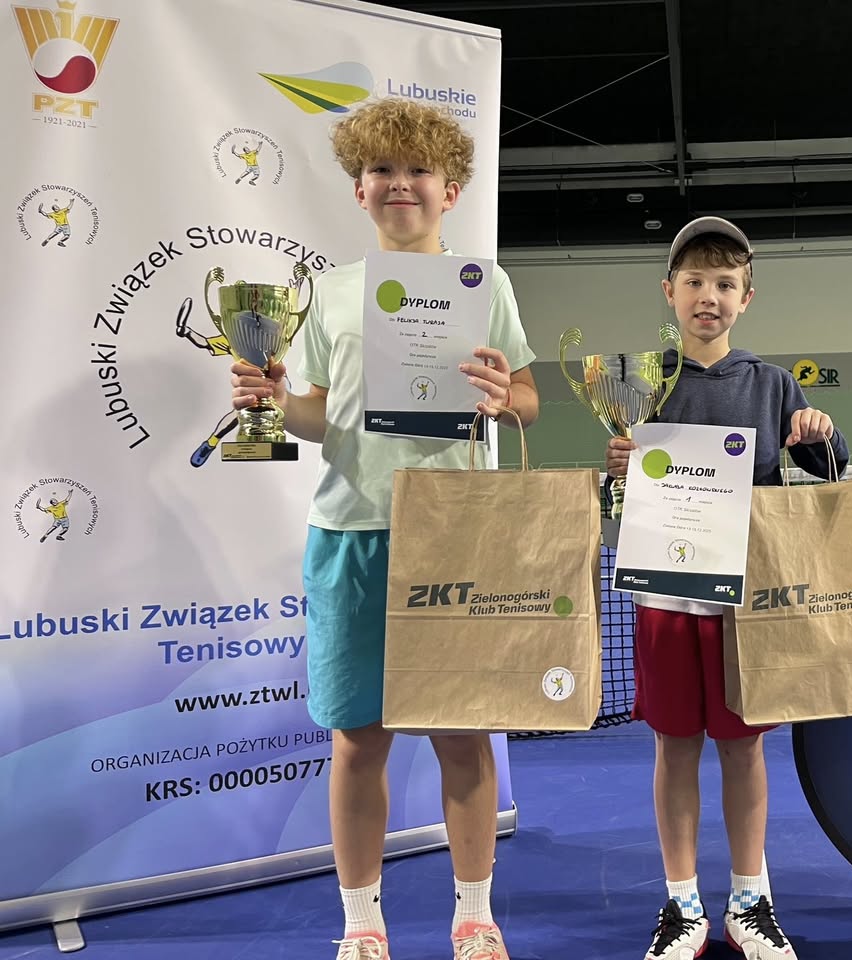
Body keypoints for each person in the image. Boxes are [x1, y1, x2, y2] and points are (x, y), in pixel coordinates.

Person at [229, 97, 538, 960]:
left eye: (418, 171)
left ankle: (473, 916)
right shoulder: (328, 293)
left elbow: (526, 400)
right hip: (352, 533)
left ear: (451, 190)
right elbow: (317, 419)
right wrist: (276, 399)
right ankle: (361, 924)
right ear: (359, 189)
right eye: (382, 170)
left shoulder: (486, 285)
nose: (400, 184)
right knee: (358, 741)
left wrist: (501, 395)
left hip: (458, 534)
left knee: (461, 732)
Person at [605, 217, 849, 960]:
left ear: (746, 297)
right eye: (693, 281)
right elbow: (621, 492)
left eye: (723, 283)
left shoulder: (773, 384)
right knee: (675, 746)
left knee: (743, 751)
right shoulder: (640, 385)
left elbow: (829, 469)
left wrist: (820, 431)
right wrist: (617, 468)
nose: (707, 295)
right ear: (668, 292)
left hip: (747, 604)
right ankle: (682, 904)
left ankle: (750, 901)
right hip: (665, 599)